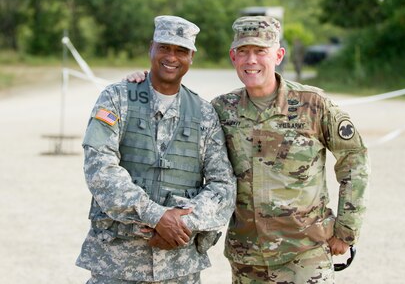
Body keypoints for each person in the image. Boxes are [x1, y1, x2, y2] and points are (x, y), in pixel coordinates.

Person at [127, 16, 370, 283]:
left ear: (278, 55)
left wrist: (347, 229)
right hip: (247, 257)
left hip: (304, 254)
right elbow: (177, 124)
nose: (251, 60)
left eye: (260, 51)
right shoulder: (220, 109)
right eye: (243, 52)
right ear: (233, 57)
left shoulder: (313, 105)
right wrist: (147, 82)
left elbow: (354, 159)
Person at [76, 15, 236, 284]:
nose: (171, 57)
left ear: (191, 56)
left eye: (181, 50)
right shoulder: (117, 98)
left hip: (179, 266)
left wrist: (181, 222)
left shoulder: (205, 114)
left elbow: (223, 187)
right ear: (151, 48)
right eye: (164, 47)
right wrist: (156, 216)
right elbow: (100, 169)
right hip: (117, 263)